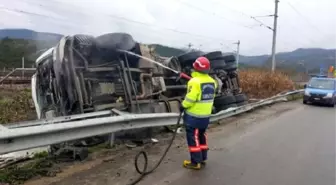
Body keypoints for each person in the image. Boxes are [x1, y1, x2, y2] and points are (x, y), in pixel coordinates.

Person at [180, 56, 217, 170]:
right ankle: (202, 157)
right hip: (205, 117)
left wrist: (183, 105)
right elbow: (211, 97)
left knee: (193, 138)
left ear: (195, 67)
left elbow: (191, 98)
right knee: (201, 136)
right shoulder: (212, 82)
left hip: (193, 117)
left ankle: (195, 162)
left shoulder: (194, 82)